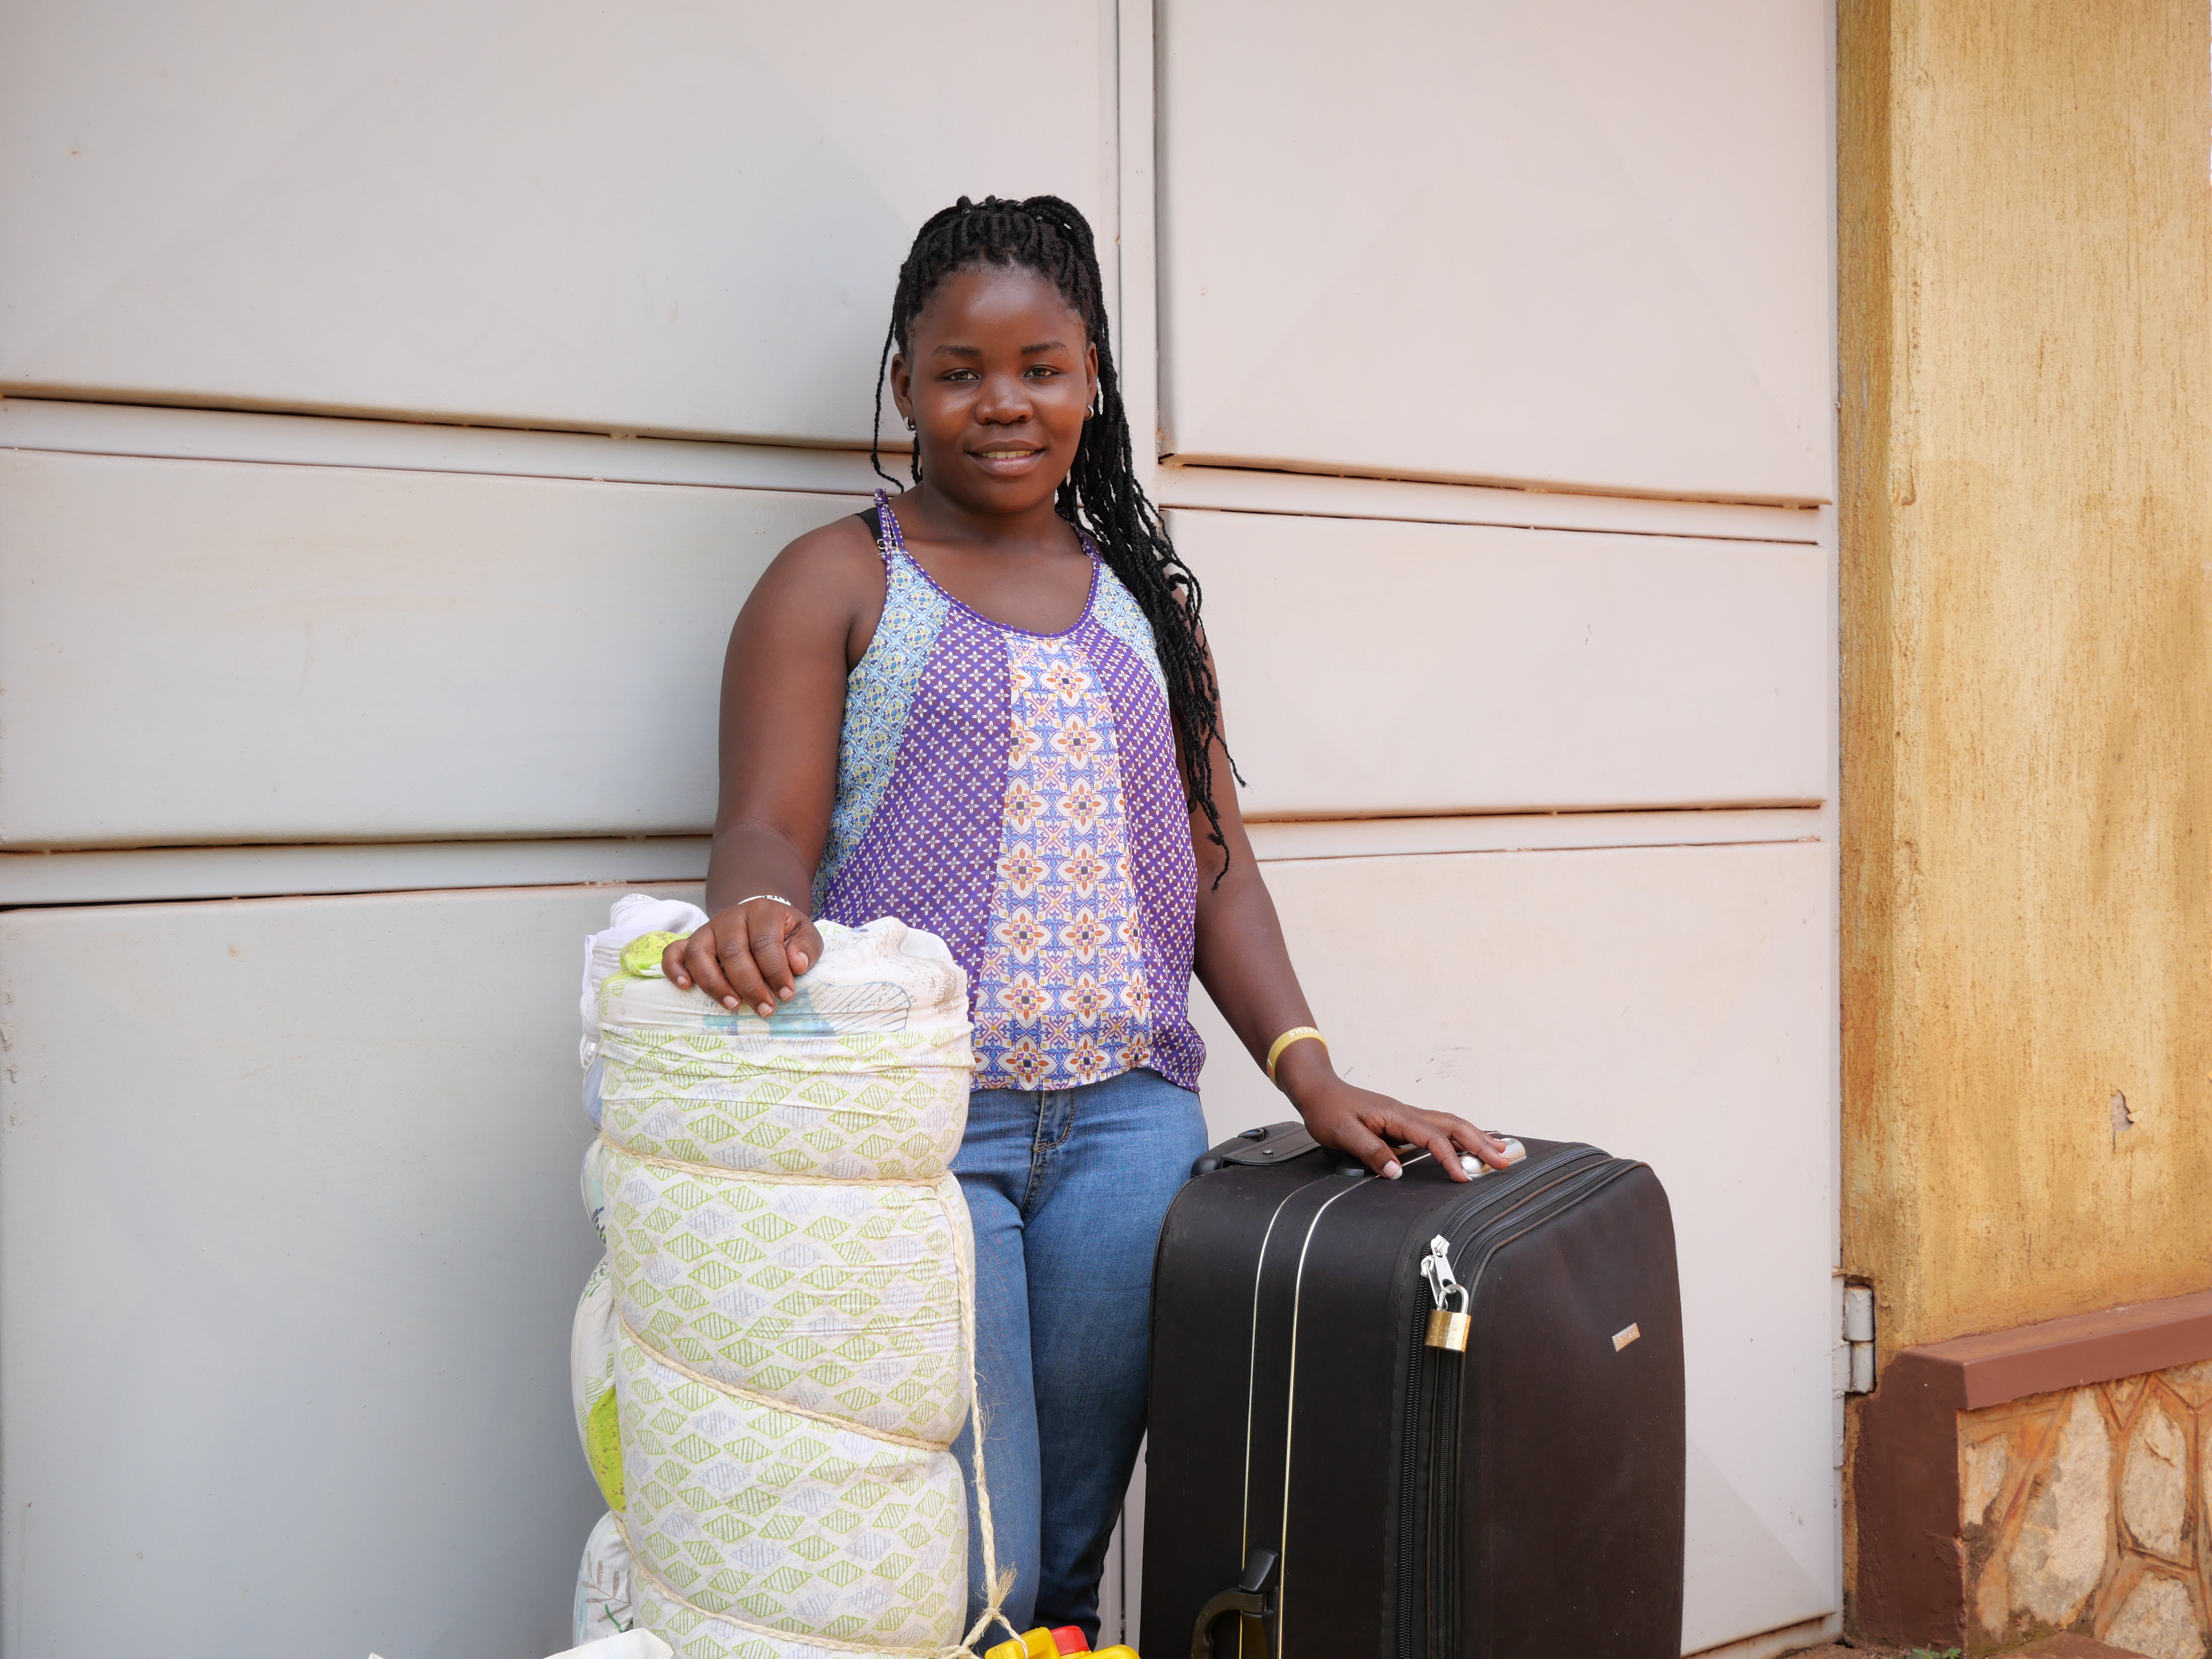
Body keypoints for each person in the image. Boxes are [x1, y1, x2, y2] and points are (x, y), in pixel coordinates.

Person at [663, 194, 1508, 1646]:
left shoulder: (1145, 607)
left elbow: (1213, 863)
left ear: (1095, 376)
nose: (1003, 404)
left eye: (1042, 367)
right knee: (964, 1538)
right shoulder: (838, 578)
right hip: (929, 1128)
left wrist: (1310, 1070)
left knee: (1065, 1544)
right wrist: (752, 907)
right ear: (905, 384)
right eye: (960, 371)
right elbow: (767, 822)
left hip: (1130, 1126)